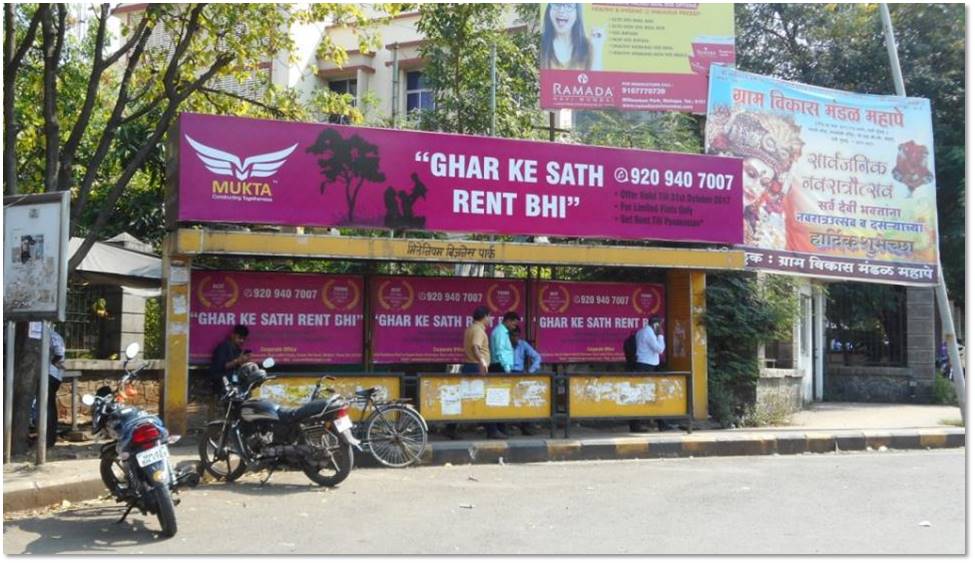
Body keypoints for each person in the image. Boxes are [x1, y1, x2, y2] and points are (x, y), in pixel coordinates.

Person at [443, 306, 493, 440]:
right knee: (482, 398)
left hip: (471, 365)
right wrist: (482, 362)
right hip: (476, 367)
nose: (490, 319)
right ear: (484, 317)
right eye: (489, 316)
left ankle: (451, 428)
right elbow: (475, 348)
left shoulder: (471, 328)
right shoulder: (477, 330)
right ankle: (491, 430)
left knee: (466, 399)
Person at [484, 311, 521, 439]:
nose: (514, 327)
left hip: (501, 367)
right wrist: (506, 368)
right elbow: (500, 352)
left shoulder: (502, 332)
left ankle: (500, 428)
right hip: (499, 367)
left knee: (501, 399)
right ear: (508, 321)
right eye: (514, 324)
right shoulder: (500, 332)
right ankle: (493, 430)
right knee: (496, 399)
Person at [540, 3, 605, 71]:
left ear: (577, 11)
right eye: (557, 4)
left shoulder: (588, 46)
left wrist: (597, 48)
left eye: (569, 5)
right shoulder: (539, 42)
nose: (561, 10)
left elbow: (596, 80)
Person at [629, 316, 667, 432]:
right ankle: (640, 423)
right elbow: (660, 349)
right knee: (646, 394)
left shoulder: (641, 331)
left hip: (644, 364)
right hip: (647, 366)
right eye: (660, 325)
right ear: (655, 325)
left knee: (646, 394)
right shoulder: (649, 333)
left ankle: (656, 422)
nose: (660, 328)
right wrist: (660, 335)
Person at [209, 325, 251, 412]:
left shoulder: (238, 350)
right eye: (239, 338)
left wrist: (244, 362)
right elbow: (221, 366)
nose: (241, 341)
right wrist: (237, 361)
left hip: (234, 387)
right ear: (232, 335)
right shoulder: (224, 347)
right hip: (221, 386)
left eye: (243, 339)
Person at [510, 326, 542, 436]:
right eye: (512, 336)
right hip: (507, 374)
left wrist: (531, 371)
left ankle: (526, 427)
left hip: (520, 374)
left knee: (524, 401)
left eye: (516, 336)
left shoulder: (523, 344)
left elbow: (537, 357)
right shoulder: (505, 344)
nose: (514, 338)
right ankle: (507, 427)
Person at [45, 328, 66, 448]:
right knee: (48, 407)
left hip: (50, 374)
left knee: (48, 407)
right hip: (54, 375)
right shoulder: (54, 335)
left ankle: (48, 439)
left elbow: (59, 353)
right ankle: (48, 438)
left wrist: (52, 362)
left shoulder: (50, 335)